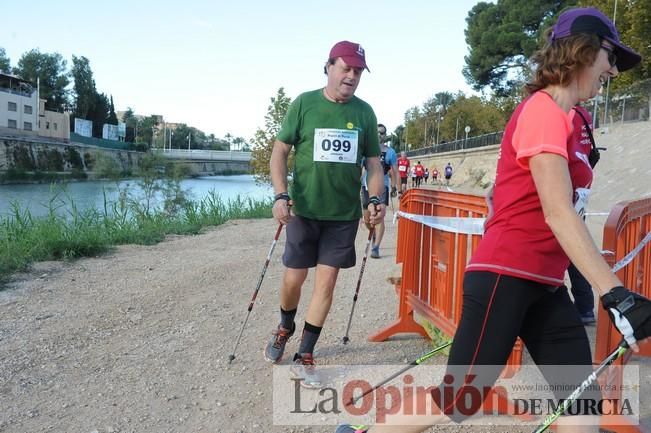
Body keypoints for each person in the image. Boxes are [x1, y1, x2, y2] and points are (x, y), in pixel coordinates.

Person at [336, 7, 651, 433]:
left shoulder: (571, 118)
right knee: (460, 400)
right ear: (584, 49)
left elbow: (531, 194)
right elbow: (558, 212)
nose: (613, 71)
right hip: (506, 275)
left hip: (544, 282)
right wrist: (616, 295)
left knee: (583, 405)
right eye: (611, 58)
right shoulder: (542, 111)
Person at [266, 40, 386, 389]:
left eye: (358, 71)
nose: (352, 76)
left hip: (343, 215)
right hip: (303, 211)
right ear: (329, 67)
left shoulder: (364, 112)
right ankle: (285, 326)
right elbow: (279, 153)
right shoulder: (304, 103)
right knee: (293, 280)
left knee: (327, 282)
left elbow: (373, 165)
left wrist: (374, 199)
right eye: (346, 68)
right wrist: (280, 194)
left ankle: (305, 354)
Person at [361, 123, 399, 259]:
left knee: (379, 216)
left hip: (383, 187)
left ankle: (376, 247)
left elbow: (395, 172)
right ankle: (374, 233)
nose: (379, 135)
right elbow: (362, 168)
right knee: (367, 218)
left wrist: (396, 188)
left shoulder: (390, 152)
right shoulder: (365, 150)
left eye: (382, 133)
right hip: (366, 186)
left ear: (385, 136)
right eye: (377, 132)